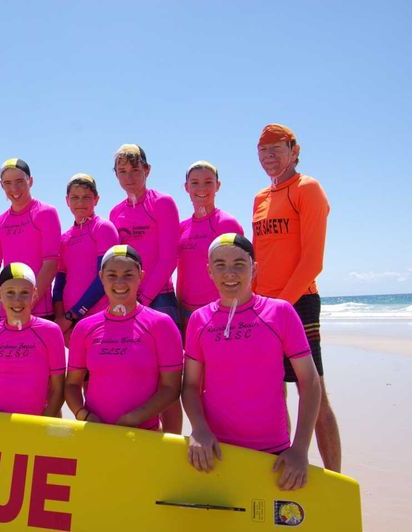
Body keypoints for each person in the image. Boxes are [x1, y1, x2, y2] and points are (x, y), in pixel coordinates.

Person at [182, 233, 321, 490]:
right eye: (220, 265)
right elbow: (190, 385)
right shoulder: (199, 320)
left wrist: (300, 448)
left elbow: (309, 381)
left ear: (254, 269)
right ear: (209, 271)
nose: (229, 273)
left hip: (272, 454)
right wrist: (199, 429)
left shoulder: (280, 313)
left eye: (239, 264)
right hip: (217, 451)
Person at [252, 123, 341, 472]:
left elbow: (312, 262)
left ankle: (335, 476)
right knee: (274, 393)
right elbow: (258, 259)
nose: (269, 157)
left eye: (276, 150)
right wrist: (255, 304)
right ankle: (283, 463)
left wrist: (280, 307)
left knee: (314, 393)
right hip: (264, 307)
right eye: (263, 152)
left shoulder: (308, 189)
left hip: (298, 303)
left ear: (294, 150)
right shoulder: (260, 197)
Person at [65, 245, 182, 431]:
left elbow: (171, 389)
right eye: (111, 275)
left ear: (141, 276)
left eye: (128, 274)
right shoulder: (84, 328)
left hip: (143, 436)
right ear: (101, 277)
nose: (120, 282)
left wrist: (133, 419)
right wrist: (83, 414)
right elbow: (71, 384)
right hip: (96, 434)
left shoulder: (161, 325)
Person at [109, 144, 182, 432]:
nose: (129, 177)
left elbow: (169, 258)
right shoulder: (116, 213)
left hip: (159, 299)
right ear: (116, 175)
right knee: (136, 375)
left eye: (135, 170)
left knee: (168, 379)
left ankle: (173, 442)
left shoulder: (163, 203)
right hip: (127, 301)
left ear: (147, 170)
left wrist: (142, 297)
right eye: (122, 172)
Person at [0, 263, 65, 416]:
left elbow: (58, 389)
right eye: (10, 292)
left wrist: (41, 425)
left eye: (24, 292)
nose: (17, 300)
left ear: (34, 294)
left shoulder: (50, 332)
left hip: (36, 424)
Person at [0, 158, 61, 320]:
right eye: (7, 183)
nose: (14, 188)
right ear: (1, 185)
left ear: (31, 181)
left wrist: (27, 303)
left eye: (20, 181)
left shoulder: (46, 213)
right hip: (8, 314)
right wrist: (5, 300)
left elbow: (51, 264)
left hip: (41, 311)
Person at [177, 161, 244, 333]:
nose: (201, 188)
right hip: (186, 313)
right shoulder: (181, 228)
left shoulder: (227, 224)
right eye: (195, 183)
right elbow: (182, 271)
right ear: (186, 187)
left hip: (220, 312)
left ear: (218, 186)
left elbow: (243, 271)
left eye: (208, 182)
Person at [53, 173, 119, 345]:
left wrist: (73, 314)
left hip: (97, 317)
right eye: (75, 198)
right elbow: (59, 283)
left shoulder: (103, 228)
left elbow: (104, 278)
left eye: (86, 197)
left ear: (96, 199)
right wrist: (60, 317)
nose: (80, 203)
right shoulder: (64, 238)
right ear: (67, 201)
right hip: (70, 323)